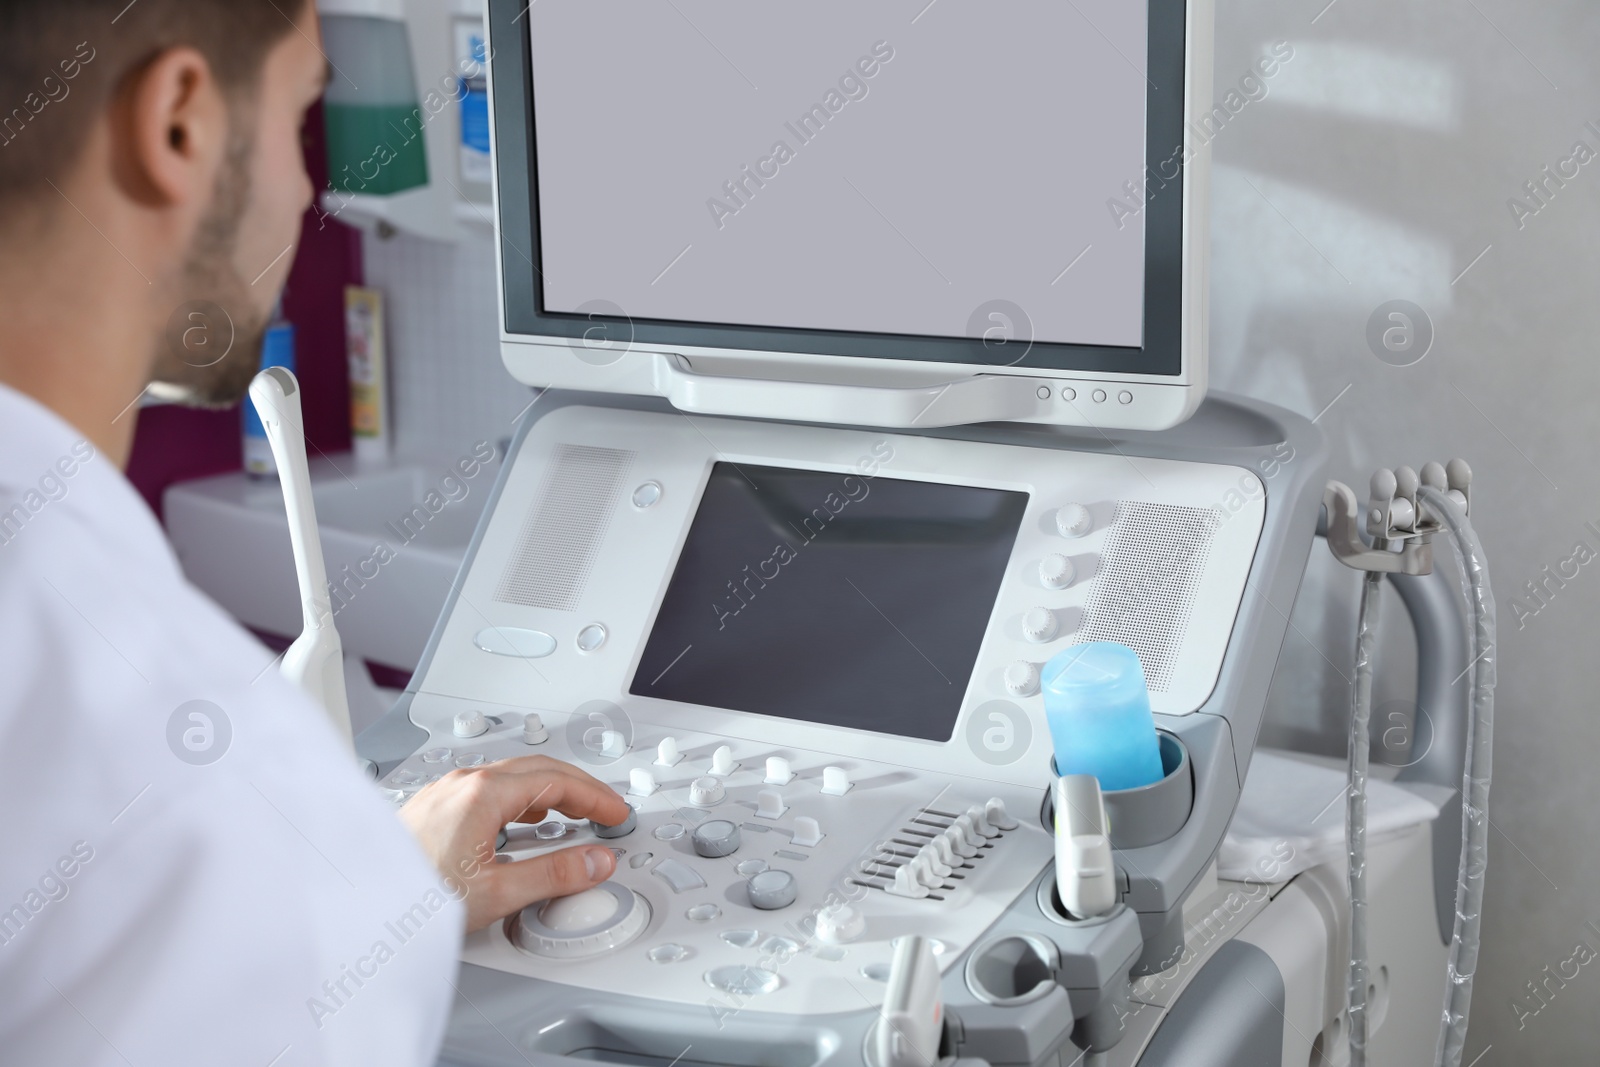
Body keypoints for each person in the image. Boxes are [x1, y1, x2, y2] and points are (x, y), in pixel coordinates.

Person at [0, 2, 630, 1063]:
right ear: (180, 126)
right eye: (303, 112)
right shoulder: (119, 698)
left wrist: (376, 884)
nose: (305, 189)